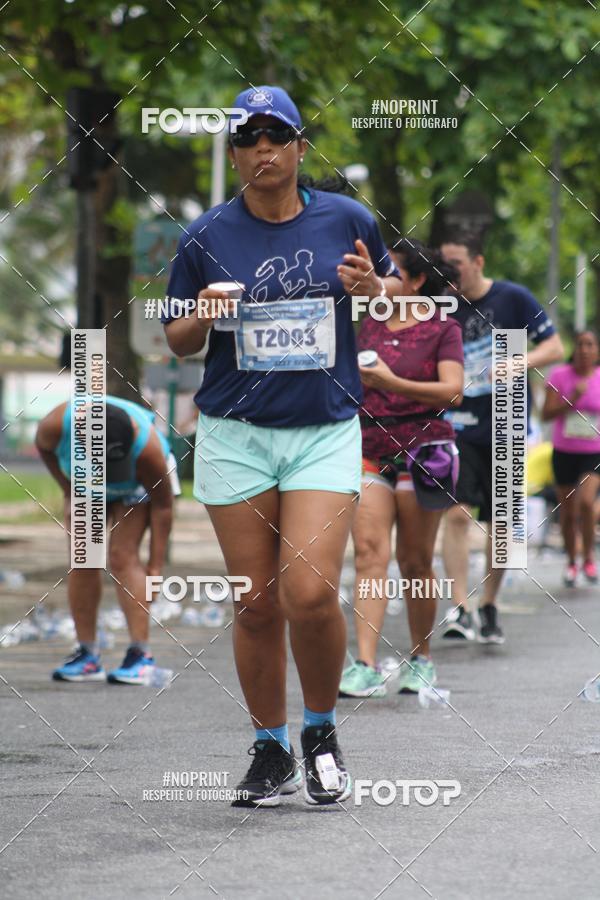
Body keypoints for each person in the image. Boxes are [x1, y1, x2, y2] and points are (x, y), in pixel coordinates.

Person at [163, 85, 402, 807]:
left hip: (322, 430)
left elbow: (390, 292)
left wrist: (373, 287)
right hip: (235, 433)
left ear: (300, 147)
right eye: (247, 139)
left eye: (276, 135)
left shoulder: (347, 217)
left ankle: (321, 732)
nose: (262, 149)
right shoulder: (205, 235)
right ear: (234, 154)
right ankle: (270, 747)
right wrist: (199, 316)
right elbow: (174, 339)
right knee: (256, 604)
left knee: (308, 591)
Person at [339, 240, 464, 698]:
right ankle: (366, 664)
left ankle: (421, 657)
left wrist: (391, 382)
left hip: (424, 451)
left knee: (414, 561)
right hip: (368, 446)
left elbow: (453, 392)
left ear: (415, 281)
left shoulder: (442, 329)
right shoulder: (365, 323)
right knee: (370, 554)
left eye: (392, 270)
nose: (382, 277)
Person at [440, 230, 563, 643]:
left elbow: (555, 347)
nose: (450, 272)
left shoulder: (513, 298)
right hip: (458, 421)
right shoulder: (443, 303)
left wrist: (519, 362)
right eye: (445, 264)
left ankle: (489, 603)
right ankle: (459, 607)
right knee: (456, 513)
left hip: (507, 419)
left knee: (503, 526)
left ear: (479, 262)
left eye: (456, 263)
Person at [35, 396, 177, 683]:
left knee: (122, 558)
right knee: (84, 557)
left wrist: (156, 568)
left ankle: (141, 657)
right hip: (85, 485)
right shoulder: (54, 425)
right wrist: (68, 490)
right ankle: (87, 655)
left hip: (135, 487)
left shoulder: (148, 449)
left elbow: (163, 507)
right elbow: (45, 450)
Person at [542, 330, 600, 586]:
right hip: (564, 451)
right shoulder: (559, 376)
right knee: (566, 512)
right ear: (573, 350)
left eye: (590, 345)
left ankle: (588, 556)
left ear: (597, 351)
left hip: (593, 453)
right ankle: (571, 561)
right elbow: (546, 414)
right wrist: (572, 399)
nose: (585, 350)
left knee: (586, 503)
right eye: (580, 345)